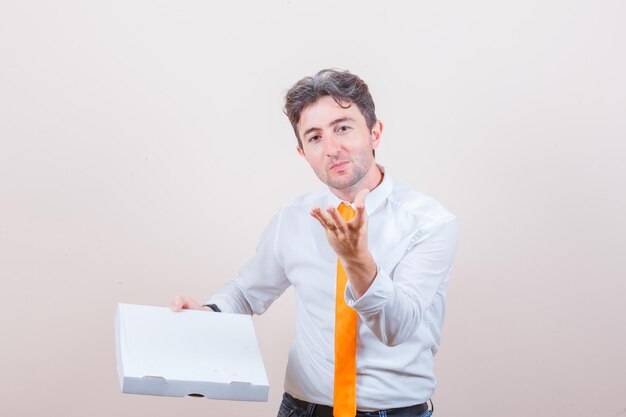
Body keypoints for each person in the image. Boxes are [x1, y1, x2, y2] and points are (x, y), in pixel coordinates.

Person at [172, 69, 458, 417]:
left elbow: (397, 327)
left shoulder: (430, 223)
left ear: (374, 133)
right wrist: (208, 314)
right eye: (315, 137)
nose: (332, 149)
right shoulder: (293, 218)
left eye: (342, 128)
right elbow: (247, 292)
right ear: (302, 152)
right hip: (302, 409)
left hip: (394, 412)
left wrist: (357, 259)